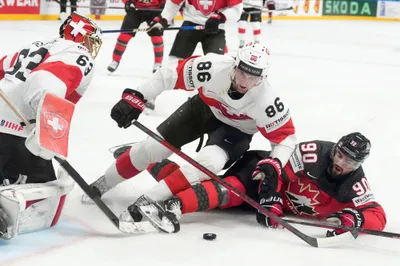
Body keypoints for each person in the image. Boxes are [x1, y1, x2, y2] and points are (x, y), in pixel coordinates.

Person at [82, 42, 297, 232]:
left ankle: (150, 199)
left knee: (208, 163)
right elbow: (170, 74)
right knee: (152, 148)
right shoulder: (214, 66)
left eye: (253, 77)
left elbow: (285, 138)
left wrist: (275, 163)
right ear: (235, 64)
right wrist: (139, 96)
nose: (244, 81)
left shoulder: (268, 100)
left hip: (235, 131)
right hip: (201, 110)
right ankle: (103, 183)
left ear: (263, 77)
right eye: (242, 72)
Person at [146, 132, 387, 235]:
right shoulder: (314, 153)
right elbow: (276, 173)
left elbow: (377, 215)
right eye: (340, 155)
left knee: (214, 197)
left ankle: (160, 169)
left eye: (349, 162)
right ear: (334, 149)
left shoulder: (355, 183)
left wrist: (356, 219)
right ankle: (173, 204)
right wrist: (270, 200)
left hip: (275, 203)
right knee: (228, 192)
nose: (341, 163)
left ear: (358, 165)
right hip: (261, 175)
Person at [0, 12, 103, 239]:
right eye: (91, 40)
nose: (91, 46)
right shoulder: (79, 53)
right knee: (39, 193)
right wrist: (46, 122)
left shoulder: (36, 45)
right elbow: (44, 82)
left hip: (5, 121)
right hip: (19, 131)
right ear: (82, 37)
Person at [147, 0, 243, 62]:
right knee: (174, 62)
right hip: (191, 23)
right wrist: (163, 20)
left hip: (216, 28)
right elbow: (174, 3)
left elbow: (236, 9)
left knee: (217, 64)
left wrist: (220, 17)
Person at [107, 0, 166, 74]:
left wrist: (164, 4)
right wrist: (128, 2)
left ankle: (158, 63)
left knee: (156, 36)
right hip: (136, 9)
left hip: (155, 10)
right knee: (124, 36)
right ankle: (115, 60)